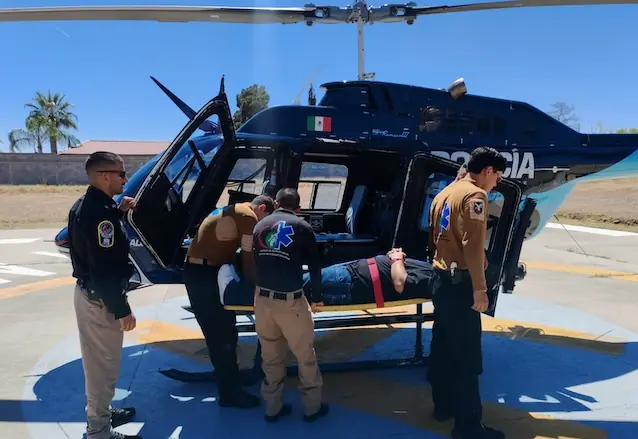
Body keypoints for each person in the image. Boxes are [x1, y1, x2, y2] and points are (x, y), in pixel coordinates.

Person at [427, 147, 506, 439]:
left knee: (442, 348)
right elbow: (472, 244)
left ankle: (442, 407)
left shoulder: (445, 193)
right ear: (487, 171)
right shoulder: (476, 196)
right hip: (460, 285)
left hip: (440, 279)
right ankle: (468, 427)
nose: (497, 182)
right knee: (466, 357)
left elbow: (436, 235)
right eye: (498, 176)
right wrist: (480, 289)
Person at [68, 151, 140, 439]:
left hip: (93, 294)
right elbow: (103, 267)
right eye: (121, 173)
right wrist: (121, 308)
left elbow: (96, 245)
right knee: (101, 368)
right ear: (104, 176)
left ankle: (103, 414)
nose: (125, 178)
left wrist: (118, 212)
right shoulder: (99, 215)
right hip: (100, 300)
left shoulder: (93, 207)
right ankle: (98, 431)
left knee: (102, 364)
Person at [183, 194, 275, 408]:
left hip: (203, 271)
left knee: (225, 330)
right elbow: (248, 256)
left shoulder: (235, 209)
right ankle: (229, 393)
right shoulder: (248, 216)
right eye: (265, 219)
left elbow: (230, 249)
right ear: (261, 208)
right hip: (204, 274)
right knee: (221, 333)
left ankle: (227, 375)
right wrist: (254, 287)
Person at [252, 188, 329, 423]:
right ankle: (312, 408)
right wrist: (317, 297)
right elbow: (314, 265)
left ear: (275, 204)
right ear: (299, 208)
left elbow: (253, 260)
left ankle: (272, 407)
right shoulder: (302, 227)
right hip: (290, 302)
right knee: (305, 355)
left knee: (270, 356)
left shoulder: (259, 225)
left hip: (262, 301)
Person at [217, 247, 434, 307]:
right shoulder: (435, 270)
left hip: (351, 283)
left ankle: (236, 295)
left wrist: (396, 259)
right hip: (352, 274)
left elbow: (400, 283)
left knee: (292, 288)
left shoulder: (434, 279)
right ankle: (246, 286)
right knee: (296, 281)